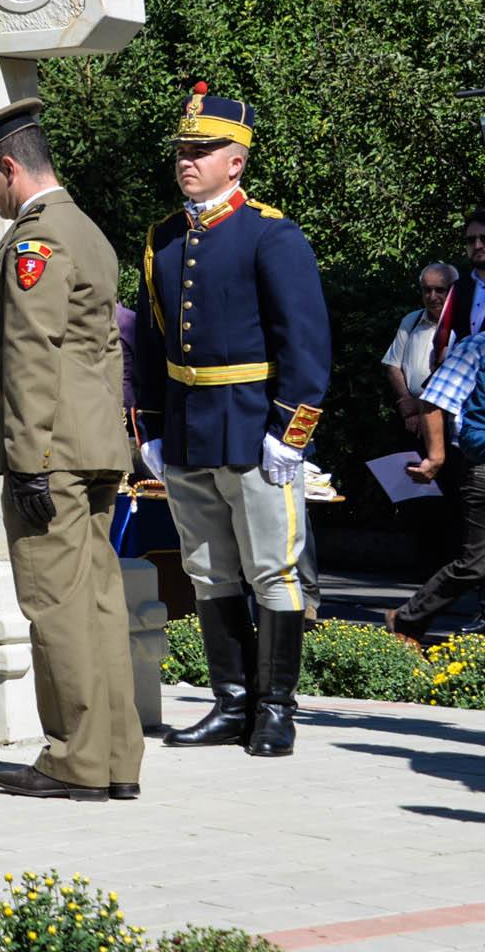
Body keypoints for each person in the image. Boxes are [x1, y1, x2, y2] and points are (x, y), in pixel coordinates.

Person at [0, 100, 142, 802]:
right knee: (98, 605)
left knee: (56, 606)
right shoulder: (85, 229)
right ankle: (116, 758)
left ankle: (74, 760)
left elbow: (31, 357)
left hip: (50, 454)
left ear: (9, 167)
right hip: (93, 448)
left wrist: (26, 460)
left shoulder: (38, 239)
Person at [135, 84, 331, 759]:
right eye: (182, 150)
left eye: (202, 149)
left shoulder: (271, 234)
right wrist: (152, 428)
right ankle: (232, 703)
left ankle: (276, 709)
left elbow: (305, 346)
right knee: (209, 570)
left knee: (273, 571)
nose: (187, 160)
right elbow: (151, 347)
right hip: (189, 427)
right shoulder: (163, 239)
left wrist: (291, 434)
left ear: (236, 161)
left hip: (255, 428)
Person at [391, 328, 485, 643]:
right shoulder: (477, 347)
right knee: (475, 564)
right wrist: (436, 457)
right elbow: (432, 401)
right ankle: (407, 619)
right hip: (483, 466)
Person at [387, 265, 456, 440]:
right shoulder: (412, 320)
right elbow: (393, 365)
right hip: (410, 421)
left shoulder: (463, 326)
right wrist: (407, 404)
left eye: (439, 290)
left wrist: (420, 406)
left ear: (453, 290)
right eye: (427, 290)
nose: (432, 297)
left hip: (447, 421)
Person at [429, 213, 485, 370]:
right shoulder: (459, 288)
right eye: (471, 240)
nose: (478, 245)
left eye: (483, 238)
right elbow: (442, 343)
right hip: (463, 386)